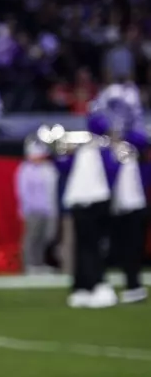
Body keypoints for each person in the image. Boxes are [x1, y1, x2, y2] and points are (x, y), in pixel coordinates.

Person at [60, 91, 123, 308]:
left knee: (83, 245)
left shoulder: (82, 148)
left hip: (79, 202)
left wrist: (63, 153)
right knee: (93, 246)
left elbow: (63, 166)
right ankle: (97, 285)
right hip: (96, 201)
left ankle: (81, 287)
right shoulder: (103, 148)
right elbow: (113, 172)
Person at [109, 94, 147, 303]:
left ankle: (134, 287)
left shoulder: (130, 149)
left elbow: (140, 139)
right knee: (126, 251)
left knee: (132, 251)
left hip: (133, 207)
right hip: (124, 207)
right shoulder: (119, 152)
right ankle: (132, 285)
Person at [16, 141, 60, 274]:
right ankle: (29, 263)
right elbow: (22, 191)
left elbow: (52, 191)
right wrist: (24, 208)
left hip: (47, 208)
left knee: (45, 237)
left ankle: (39, 263)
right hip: (32, 209)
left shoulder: (49, 169)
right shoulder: (25, 169)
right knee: (32, 237)